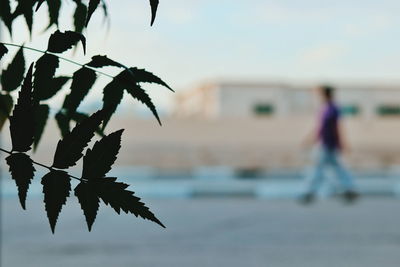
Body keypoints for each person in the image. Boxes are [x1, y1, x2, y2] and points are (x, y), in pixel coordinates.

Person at [300, 85, 359, 204]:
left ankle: (309, 191)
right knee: (335, 168)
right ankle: (349, 188)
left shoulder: (333, 108)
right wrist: (311, 139)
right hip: (324, 143)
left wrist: (342, 143)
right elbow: (320, 128)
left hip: (329, 144)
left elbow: (337, 127)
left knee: (319, 168)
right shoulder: (324, 108)